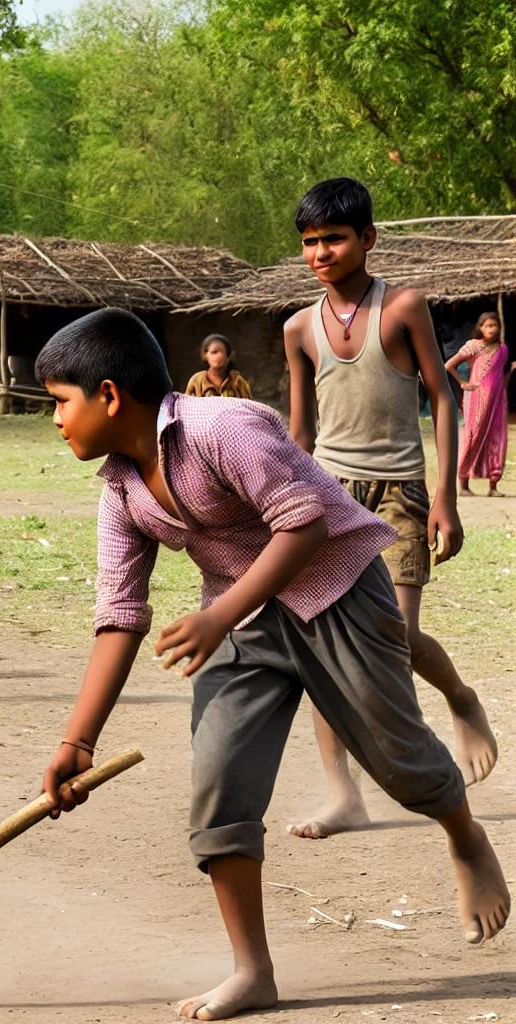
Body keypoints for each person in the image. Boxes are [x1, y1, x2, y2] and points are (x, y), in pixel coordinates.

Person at [37, 308, 508, 1021]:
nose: (55, 421)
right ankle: (253, 971)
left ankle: (465, 837)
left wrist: (217, 616)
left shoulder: (225, 427)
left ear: (107, 395)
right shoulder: (121, 489)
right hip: (239, 620)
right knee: (219, 788)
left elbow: (307, 523)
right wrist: (78, 742)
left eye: (58, 403)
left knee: (400, 760)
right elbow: (119, 617)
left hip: (337, 594)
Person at [283, 178, 496, 839]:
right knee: (322, 649)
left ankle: (458, 696)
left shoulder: (403, 308)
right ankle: (343, 794)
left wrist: (445, 500)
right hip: (329, 496)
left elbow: (442, 395)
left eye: (335, 239)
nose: (321, 252)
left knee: (391, 640)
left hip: (398, 493)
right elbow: (299, 433)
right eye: (310, 243)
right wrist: (282, 507)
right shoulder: (298, 328)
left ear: (368, 238)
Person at [445, 312, 513, 497]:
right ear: (480, 328)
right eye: (488, 326)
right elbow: (449, 365)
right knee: (472, 437)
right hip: (476, 398)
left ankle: (493, 486)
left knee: (497, 440)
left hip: (497, 400)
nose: (492, 329)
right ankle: (464, 485)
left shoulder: (503, 349)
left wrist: (510, 373)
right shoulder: (474, 346)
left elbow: (500, 377)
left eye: (495, 325)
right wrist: (463, 383)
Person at [184, 334, 253, 398]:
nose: (217, 356)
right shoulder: (197, 381)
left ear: (228, 357)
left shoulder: (238, 382)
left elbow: (249, 407)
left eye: (221, 352)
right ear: (205, 356)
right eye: (214, 352)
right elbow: (187, 406)